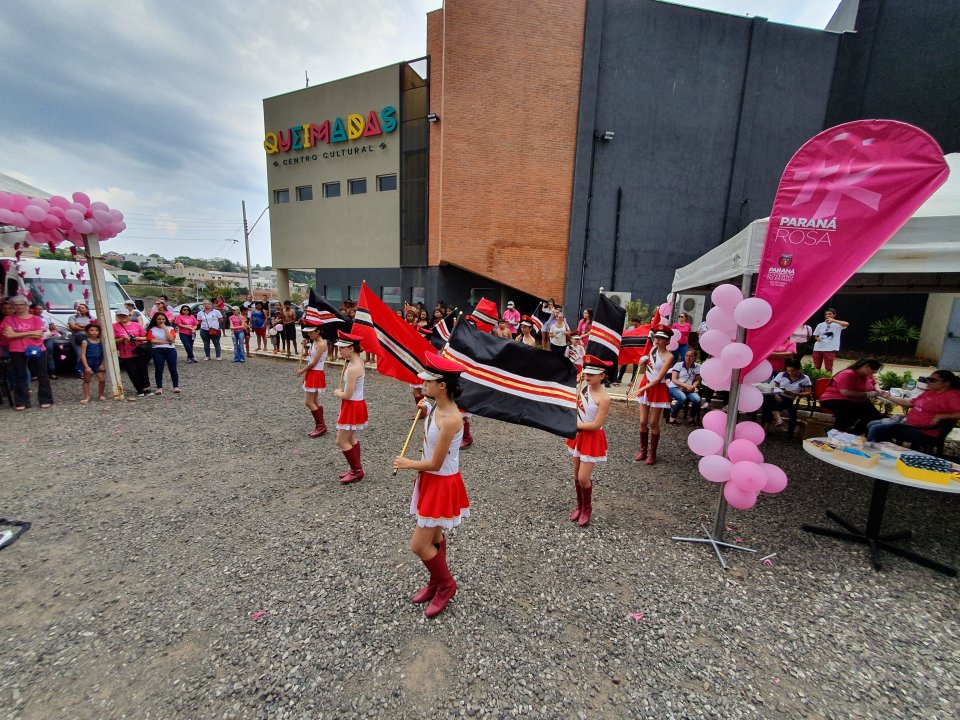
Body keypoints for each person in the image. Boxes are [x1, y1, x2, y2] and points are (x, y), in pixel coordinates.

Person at [392, 353, 471, 619]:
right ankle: (436, 582)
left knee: (418, 545)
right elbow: (430, 409)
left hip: (440, 482)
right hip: (431, 481)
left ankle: (446, 584)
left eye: (429, 381)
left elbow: (436, 464)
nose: (423, 384)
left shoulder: (451, 419)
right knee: (434, 538)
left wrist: (406, 463)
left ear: (443, 386)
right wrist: (426, 408)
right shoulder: (437, 406)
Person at [565, 355, 611, 527]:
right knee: (576, 475)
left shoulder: (604, 398)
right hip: (578, 435)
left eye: (593, 373)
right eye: (586, 372)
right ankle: (579, 506)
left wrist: (573, 424)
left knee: (583, 478)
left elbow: (596, 424)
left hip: (591, 437)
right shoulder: (582, 389)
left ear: (602, 375)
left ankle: (587, 509)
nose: (588, 376)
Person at [867, 371, 960, 445]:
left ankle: (871, 452)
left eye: (933, 380)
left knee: (877, 429)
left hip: (925, 431)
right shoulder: (930, 392)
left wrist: (941, 416)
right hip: (909, 424)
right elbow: (909, 403)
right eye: (928, 379)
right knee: (872, 424)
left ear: (946, 383)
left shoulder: (952, 395)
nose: (928, 382)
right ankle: (886, 447)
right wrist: (887, 397)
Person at [631, 325, 674, 465]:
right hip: (646, 384)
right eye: (657, 337)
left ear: (668, 341)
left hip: (657, 388)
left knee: (653, 423)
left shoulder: (669, 356)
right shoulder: (652, 350)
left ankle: (652, 454)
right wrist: (642, 363)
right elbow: (645, 370)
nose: (658, 340)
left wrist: (638, 390)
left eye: (662, 338)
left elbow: (657, 379)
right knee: (643, 422)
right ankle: (643, 450)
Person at [2, 295, 52, 410]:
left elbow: (39, 334)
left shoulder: (36, 318)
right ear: (12, 306)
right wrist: (30, 333)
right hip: (16, 349)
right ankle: (21, 401)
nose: (19, 307)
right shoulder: (8, 319)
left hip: (37, 348)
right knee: (20, 375)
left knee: (42, 374)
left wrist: (17, 334)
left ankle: (45, 399)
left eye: (21, 304)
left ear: (26, 305)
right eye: (16, 305)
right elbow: (9, 335)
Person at [334, 330, 367, 484]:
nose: (339, 350)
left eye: (342, 347)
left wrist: (337, 392)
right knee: (351, 437)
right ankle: (356, 468)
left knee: (341, 440)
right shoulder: (358, 362)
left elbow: (347, 394)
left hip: (352, 404)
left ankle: (356, 470)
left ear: (351, 348)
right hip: (356, 404)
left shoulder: (353, 368)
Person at [818, 358, 883, 434]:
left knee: (875, 415)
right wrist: (868, 394)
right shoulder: (849, 374)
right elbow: (845, 392)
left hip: (855, 401)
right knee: (849, 414)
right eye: (874, 370)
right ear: (866, 366)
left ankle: (855, 433)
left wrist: (878, 390)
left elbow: (874, 382)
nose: (874, 372)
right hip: (835, 399)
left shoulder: (866, 375)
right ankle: (836, 432)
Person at [297, 323, 328, 437]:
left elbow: (314, 362)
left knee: (308, 402)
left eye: (311, 332)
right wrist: (307, 345)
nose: (309, 334)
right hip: (313, 372)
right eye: (308, 332)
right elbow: (311, 357)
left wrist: (302, 371)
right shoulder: (315, 342)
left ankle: (321, 426)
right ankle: (321, 426)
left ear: (318, 332)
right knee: (314, 401)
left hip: (316, 372)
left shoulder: (321, 344)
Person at [761, 358, 812, 428]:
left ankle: (766, 428)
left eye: (793, 371)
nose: (790, 373)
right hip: (777, 397)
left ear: (798, 369)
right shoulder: (781, 375)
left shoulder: (805, 378)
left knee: (767, 403)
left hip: (788, 400)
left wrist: (793, 394)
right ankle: (778, 420)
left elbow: (808, 393)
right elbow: (773, 387)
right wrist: (776, 395)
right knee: (768, 399)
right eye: (788, 371)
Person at [113, 307, 152, 396]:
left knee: (143, 370)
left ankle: (145, 387)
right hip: (125, 353)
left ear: (129, 316)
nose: (123, 317)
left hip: (138, 351)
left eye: (124, 315)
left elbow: (146, 337)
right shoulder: (114, 326)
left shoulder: (137, 325)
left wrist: (136, 338)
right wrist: (122, 339)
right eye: (120, 315)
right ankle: (139, 389)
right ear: (117, 316)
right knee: (132, 372)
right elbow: (112, 340)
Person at [146, 311, 180, 394]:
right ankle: (159, 387)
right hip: (157, 350)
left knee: (173, 368)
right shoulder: (152, 329)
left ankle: (175, 386)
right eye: (159, 319)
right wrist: (166, 342)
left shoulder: (170, 328)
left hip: (170, 350)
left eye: (163, 319)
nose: (161, 321)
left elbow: (171, 339)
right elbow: (152, 340)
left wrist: (164, 328)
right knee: (159, 369)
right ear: (155, 320)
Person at [667, 349, 701, 425]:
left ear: (695, 358)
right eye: (687, 356)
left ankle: (691, 418)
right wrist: (685, 386)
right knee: (682, 398)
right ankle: (672, 418)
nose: (688, 358)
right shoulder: (678, 365)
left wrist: (693, 386)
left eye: (691, 356)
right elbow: (674, 379)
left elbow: (697, 380)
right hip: (675, 387)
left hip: (689, 389)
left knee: (697, 399)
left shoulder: (698, 366)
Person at [79, 321, 106, 404]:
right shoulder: (85, 341)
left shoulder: (101, 341)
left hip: (98, 362)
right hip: (88, 361)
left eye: (96, 330)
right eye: (92, 330)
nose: (94, 332)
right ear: (87, 332)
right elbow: (82, 355)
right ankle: (87, 396)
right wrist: (86, 366)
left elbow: (104, 354)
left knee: (102, 380)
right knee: (87, 380)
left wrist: (102, 364)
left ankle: (100, 394)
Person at [30, 302, 59, 378]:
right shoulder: (29, 318)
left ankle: (52, 373)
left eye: (41, 309)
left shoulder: (46, 317)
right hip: (34, 339)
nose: (39, 310)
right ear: (33, 310)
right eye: (37, 309)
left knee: (49, 355)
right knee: (34, 355)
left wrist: (53, 333)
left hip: (47, 338)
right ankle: (35, 374)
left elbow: (53, 328)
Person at [67, 302, 94, 373]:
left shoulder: (92, 318)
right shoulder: (73, 317)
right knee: (80, 354)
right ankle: (81, 371)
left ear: (87, 310)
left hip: (89, 338)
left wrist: (79, 325)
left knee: (89, 354)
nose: (80, 309)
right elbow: (73, 327)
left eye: (82, 308)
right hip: (77, 338)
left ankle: (89, 369)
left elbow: (94, 328)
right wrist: (87, 327)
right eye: (79, 308)